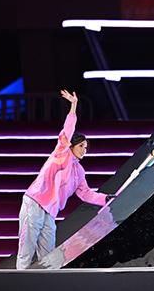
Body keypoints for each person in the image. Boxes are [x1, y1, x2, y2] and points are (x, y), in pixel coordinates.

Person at [16, 90, 113, 269]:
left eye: (86, 147)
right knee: (26, 250)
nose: (84, 150)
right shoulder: (62, 152)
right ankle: (19, 281)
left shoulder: (79, 171)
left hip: (50, 212)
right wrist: (73, 106)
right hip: (35, 203)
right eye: (81, 146)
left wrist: (105, 198)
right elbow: (67, 131)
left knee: (48, 256)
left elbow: (86, 194)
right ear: (72, 146)